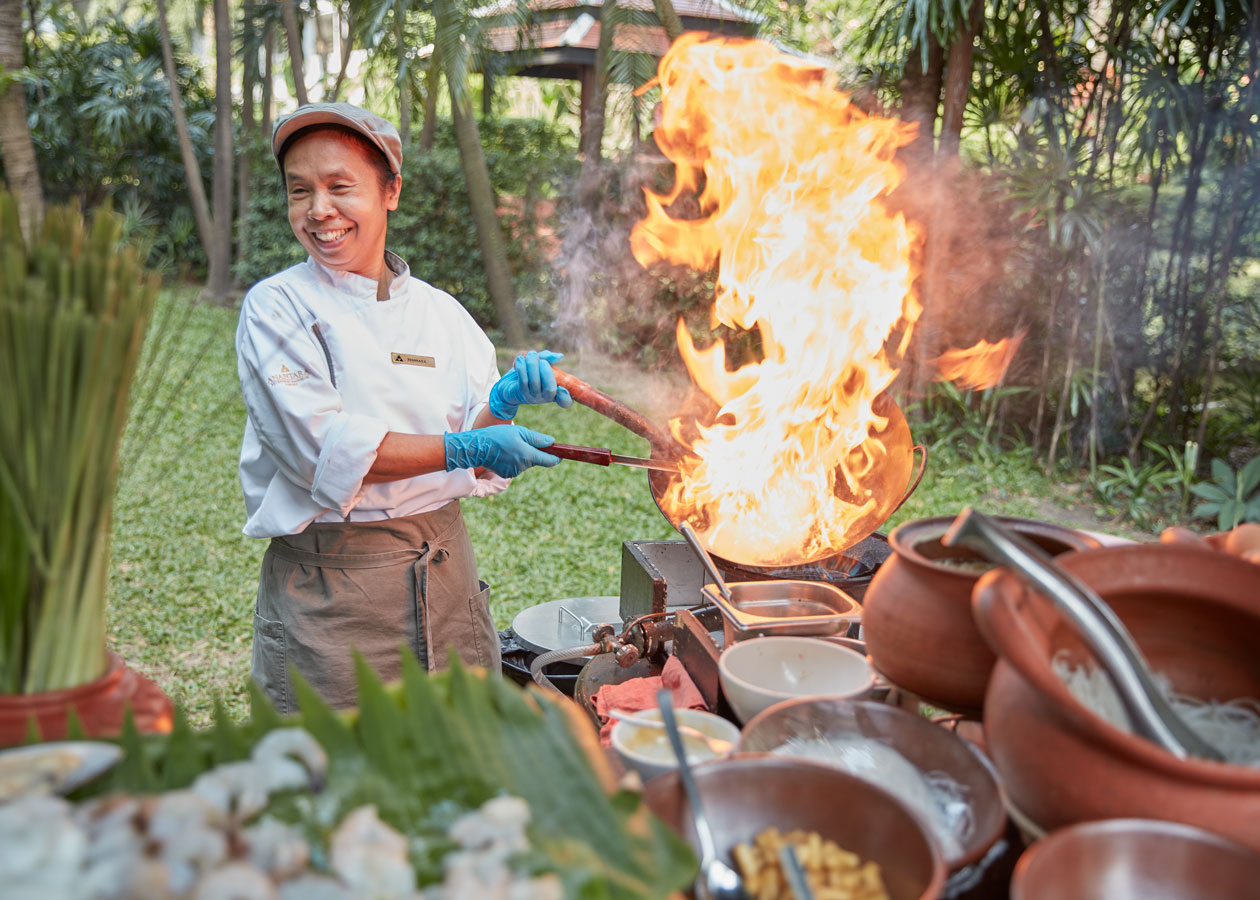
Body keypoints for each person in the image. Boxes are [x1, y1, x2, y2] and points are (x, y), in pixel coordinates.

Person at [235, 102, 572, 713]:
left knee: (459, 769)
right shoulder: (276, 307)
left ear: (390, 191)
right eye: (300, 191)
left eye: (341, 187)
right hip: (333, 594)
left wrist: (500, 407)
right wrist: (462, 447)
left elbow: (480, 451)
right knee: (334, 782)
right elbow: (321, 450)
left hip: (445, 578)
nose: (319, 211)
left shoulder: (441, 313)